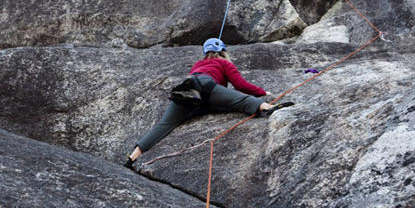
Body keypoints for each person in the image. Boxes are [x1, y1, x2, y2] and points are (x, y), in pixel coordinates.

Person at [124, 38, 293, 168]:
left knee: (164, 124)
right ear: (223, 51)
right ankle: (268, 107)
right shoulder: (223, 62)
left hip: (188, 91)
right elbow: (240, 85)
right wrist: (263, 93)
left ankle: (132, 157)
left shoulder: (198, 64)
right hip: (207, 86)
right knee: (240, 100)